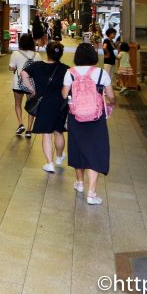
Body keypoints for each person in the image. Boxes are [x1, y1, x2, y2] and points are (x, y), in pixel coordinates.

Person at [64, 43, 116, 205]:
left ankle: (79, 183)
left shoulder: (70, 73)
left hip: (76, 116)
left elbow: (64, 94)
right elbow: (111, 95)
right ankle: (91, 193)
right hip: (96, 117)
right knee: (95, 152)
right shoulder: (101, 73)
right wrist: (111, 103)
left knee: (78, 148)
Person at [20, 41, 68, 173]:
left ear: (47, 52)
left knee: (46, 134)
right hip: (60, 104)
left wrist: (31, 89)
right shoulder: (65, 69)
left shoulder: (37, 66)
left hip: (43, 103)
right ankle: (59, 157)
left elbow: (23, 74)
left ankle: (49, 163)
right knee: (58, 131)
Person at [9, 36, 39, 137]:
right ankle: (29, 130)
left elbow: (11, 67)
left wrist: (16, 67)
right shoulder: (37, 55)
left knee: (18, 104)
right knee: (31, 106)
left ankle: (20, 124)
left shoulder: (16, 53)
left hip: (18, 84)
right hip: (31, 85)